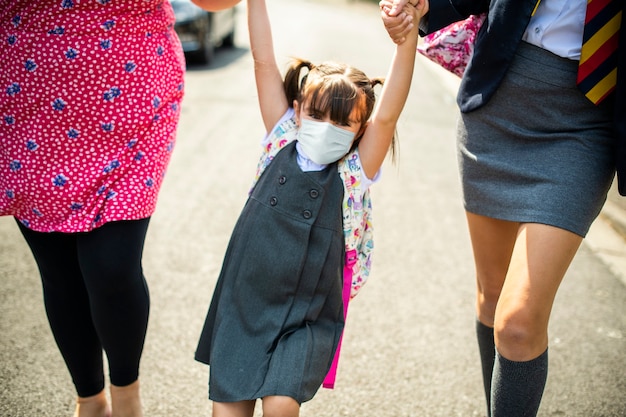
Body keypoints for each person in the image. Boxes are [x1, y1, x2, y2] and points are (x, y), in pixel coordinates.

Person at [383, 0, 624, 416]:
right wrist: (420, 7)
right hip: (497, 101)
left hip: (585, 124)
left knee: (517, 324)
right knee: (492, 297)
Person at [191, 0, 426, 416]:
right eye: (317, 115)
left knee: (282, 405)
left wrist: (407, 39)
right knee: (228, 408)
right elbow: (263, 61)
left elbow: (388, 115)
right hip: (246, 300)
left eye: (343, 123)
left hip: (309, 314)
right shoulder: (280, 136)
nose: (327, 129)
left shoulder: (354, 170)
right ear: (298, 109)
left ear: (359, 132)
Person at [0, 1, 185, 416]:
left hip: (131, 97)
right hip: (27, 97)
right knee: (59, 271)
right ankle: (89, 399)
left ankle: (125, 395)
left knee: (112, 267)